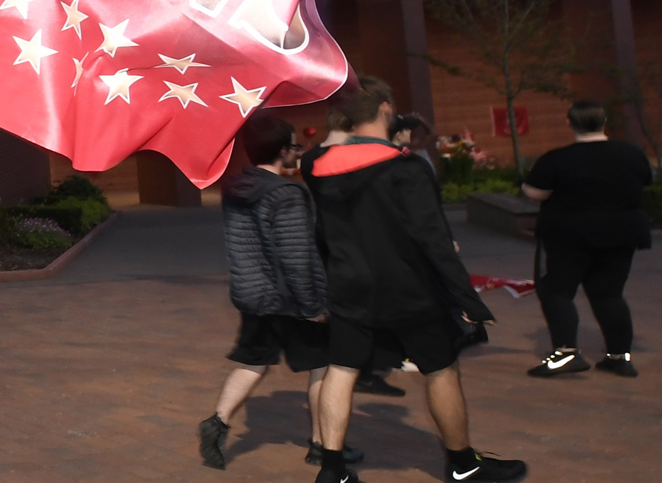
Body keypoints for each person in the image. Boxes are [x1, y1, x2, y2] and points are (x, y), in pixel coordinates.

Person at [302, 78, 526, 483]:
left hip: (349, 285)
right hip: (408, 287)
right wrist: (468, 300)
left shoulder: (317, 168)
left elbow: (323, 227)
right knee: (440, 369)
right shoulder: (404, 167)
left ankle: (332, 470)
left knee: (342, 368)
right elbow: (433, 238)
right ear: (387, 109)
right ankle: (462, 464)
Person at [199, 116, 360, 471]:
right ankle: (321, 444)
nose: (297, 150)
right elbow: (296, 256)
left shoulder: (236, 187)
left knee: (253, 363)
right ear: (283, 151)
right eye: (293, 144)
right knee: (322, 368)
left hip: (253, 294)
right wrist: (312, 306)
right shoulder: (286, 194)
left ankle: (217, 422)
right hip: (290, 299)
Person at [521, 100, 653, 378]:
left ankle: (566, 353)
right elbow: (644, 180)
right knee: (609, 294)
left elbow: (535, 193)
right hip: (621, 234)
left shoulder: (558, 159)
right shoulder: (631, 154)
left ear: (570, 123)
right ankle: (620, 357)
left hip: (568, 236)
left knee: (556, 291)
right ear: (604, 122)